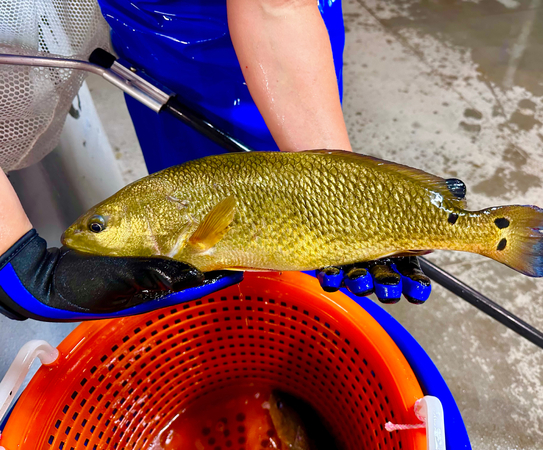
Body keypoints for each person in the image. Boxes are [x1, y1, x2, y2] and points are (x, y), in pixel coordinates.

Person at [0, 0, 431, 322]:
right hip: (155, 38)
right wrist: (10, 249)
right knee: (192, 202)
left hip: (285, 46)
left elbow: (274, 8)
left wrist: (339, 185)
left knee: (306, 232)